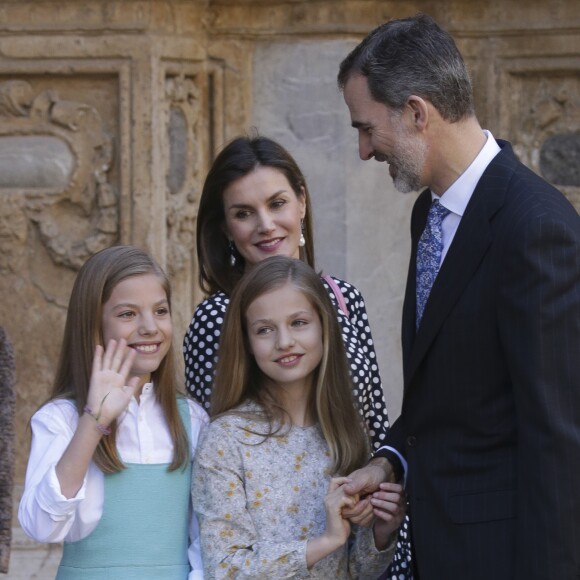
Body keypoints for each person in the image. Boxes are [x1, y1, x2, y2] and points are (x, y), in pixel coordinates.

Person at [337, 13, 580, 580]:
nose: (364, 150)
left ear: (418, 113)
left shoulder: (535, 226)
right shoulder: (429, 211)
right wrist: (391, 458)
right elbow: (448, 395)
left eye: (367, 127)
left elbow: (558, 436)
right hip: (436, 550)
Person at [183, 135, 413, 577]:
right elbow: (215, 444)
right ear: (226, 227)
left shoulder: (345, 299)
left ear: (301, 202)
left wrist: (382, 513)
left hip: (358, 514)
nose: (266, 225)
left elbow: (374, 417)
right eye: (244, 213)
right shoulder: (219, 317)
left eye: (277, 203)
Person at [192, 255, 405, 578]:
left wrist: (381, 532)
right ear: (247, 342)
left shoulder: (345, 432)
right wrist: (325, 542)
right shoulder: (226, 438)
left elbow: (354, 571)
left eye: (299, 323)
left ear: (324, 326)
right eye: (264, 330)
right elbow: (225, 569)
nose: (284, 342)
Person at [18, 245, 208, 579]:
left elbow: (205, 540)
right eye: (127, 314)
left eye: (160, 311)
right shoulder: (61, 419)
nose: (149, 326)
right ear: (93, 324)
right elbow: (41, 527)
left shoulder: (192, 419)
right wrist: (93, 423)